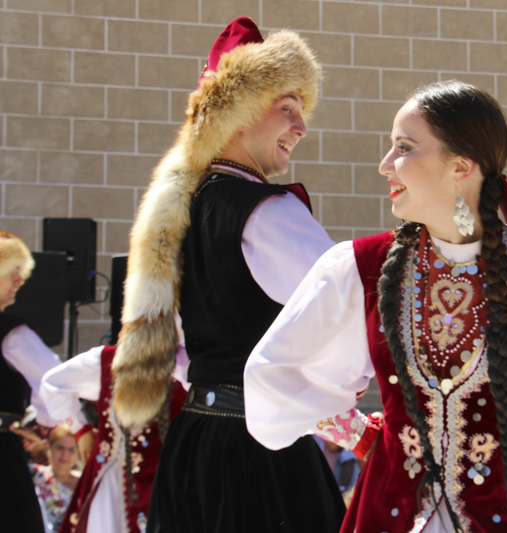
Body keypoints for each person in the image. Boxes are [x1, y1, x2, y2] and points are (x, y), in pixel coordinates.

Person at [245, 80, 507, 532]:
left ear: (461, 166)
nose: (385, 165)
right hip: (390, 509)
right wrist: (361, 435)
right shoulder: (359, 267)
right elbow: (270, 374)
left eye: (404, 148)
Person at [109, 17, 343, 532]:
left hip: (194, 442)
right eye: (287, 109)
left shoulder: (181, 213)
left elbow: (176, 351)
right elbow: (351, 314)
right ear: (237, 111)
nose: (301, 127)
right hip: (259, 450)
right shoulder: (266, 212)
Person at [40, 345, 186, 533]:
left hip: (160, 484)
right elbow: (53, 384)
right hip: (110, 482)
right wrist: (80, 430)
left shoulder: (184, 361)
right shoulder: (107, 359)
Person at [0, 231, 90, 533]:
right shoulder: (12, 334)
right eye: (12, 272)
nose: (19, 281)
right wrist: (66, 427)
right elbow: (55, 380)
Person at [29, 425, 80, 532]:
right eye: (60, 448)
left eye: (72, 449)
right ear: (49, 447)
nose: (65, 454)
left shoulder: (86, 482)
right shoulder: (35, 474)